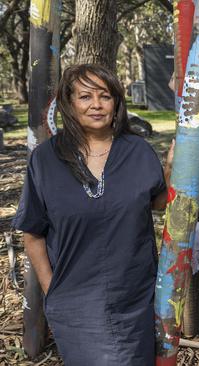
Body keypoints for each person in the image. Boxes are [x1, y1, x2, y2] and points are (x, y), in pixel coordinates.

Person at [13, 64, 169, 365]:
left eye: (105, 96)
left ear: (116, 103)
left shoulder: (138, 151)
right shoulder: (45, 160)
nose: (96, 105)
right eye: (85, 96)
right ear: (69, 104)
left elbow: (157, 202)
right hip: (74, 301)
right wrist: (52, 292)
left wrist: (176, 171)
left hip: (134, 297)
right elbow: (32, 232)